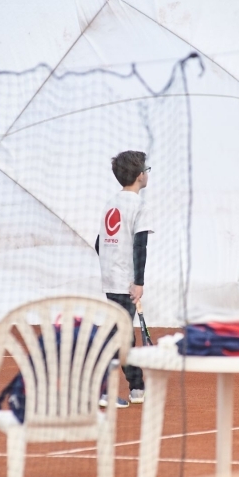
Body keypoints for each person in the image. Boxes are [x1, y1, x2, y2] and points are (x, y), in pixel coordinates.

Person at [95, 150, 153, 408]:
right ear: (140, 176)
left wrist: (110, 267)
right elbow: (141, 246)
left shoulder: (111, 202)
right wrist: (138, 282)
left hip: (111, 279)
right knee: (118, 335)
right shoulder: (139, 206)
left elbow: (99, 243)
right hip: (125, 281)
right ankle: (108, 390)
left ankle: (137, 387)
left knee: (121, 333)